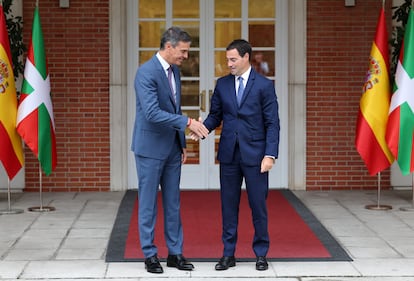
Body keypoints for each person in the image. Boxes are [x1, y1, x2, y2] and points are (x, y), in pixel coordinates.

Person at [194, 39, 280, 271]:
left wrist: (270, 155)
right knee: (228, 206)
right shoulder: (222, 85)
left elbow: (273, 123)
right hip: (229, 155)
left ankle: (261, 254)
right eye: (227, 60)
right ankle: (228, 254)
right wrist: (202, 129)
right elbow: (215, 116)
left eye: (233, 59)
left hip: (256, 156)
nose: (229, 64)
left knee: (258, 206)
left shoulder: (264, 85)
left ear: (245, 57)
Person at [131, 26, 209, 274]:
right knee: (148, 203)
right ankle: (150, 254)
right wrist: (189, 123)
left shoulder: (175, 72)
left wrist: (182, 143)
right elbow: (153, 113)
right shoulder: (145, 73)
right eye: (183, 51)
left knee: (173, 203)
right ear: (169, 46)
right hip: (150, 148)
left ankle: (175, 253)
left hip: (172, 149)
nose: (186, 56)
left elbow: (174, 109)